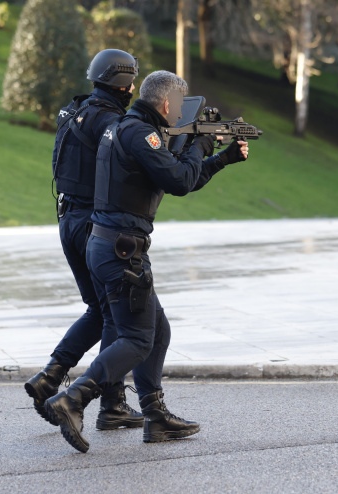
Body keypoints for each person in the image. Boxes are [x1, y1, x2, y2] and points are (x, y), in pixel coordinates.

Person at [45, 70, 250, 453]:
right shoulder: (140, 133)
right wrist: (200, 143)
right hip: (121, 249)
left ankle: (155, 415)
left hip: (108, 244)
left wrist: (220, 158)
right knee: (138, 338)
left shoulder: (126, 127)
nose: (178, 119)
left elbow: (177, 178)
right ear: (168, 104)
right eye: (178, 111)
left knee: (158, 330)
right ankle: (73, 398)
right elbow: (179, 180)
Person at [25, 49, 144, 431]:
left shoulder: (73, 110)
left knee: (97, 309)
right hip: (95, 223)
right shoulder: (112, 121)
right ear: (125, 84)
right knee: (112, 313)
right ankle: (112, 404)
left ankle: (50, 376)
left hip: (67, 220)